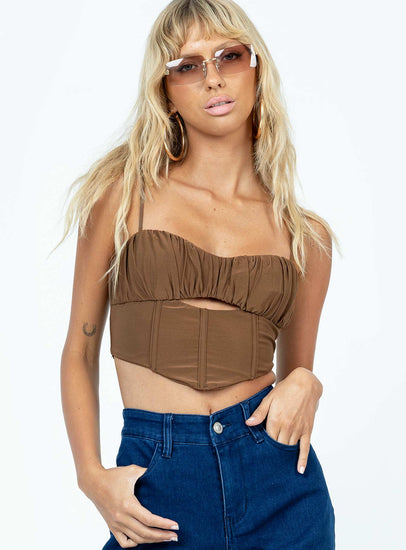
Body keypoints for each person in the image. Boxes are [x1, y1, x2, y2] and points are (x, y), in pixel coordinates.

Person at [59, 0, 340, 548]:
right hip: (156, 484)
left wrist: (308, 381)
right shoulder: (122, 197)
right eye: (187, 65)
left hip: (280, 487)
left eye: (229, 56)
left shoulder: (305, 237)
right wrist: (91, 477)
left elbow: (294, 380)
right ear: (165, 92)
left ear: (256, 68)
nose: (213, 78)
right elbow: (79, 348)